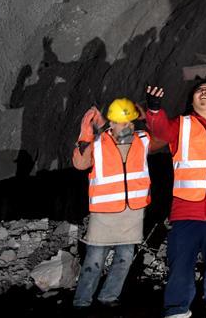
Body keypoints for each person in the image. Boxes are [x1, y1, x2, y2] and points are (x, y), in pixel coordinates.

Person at [145, 81, 206, 318]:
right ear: (192, 100)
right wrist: (154, 110)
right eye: (199, 90)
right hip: (186, 209)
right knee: (180, 265)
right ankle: (177, 310)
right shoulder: (181, 125)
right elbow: (160, 131)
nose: (204, 92)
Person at [71, 100, 157, 310]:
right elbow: (80, 164)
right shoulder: (98, 142)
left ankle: (109, 296)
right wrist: (85, 133)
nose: (126, 126)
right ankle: (82, 301)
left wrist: (148, 116)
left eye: (130, 122)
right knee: (94, 258)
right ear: (111, 122)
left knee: (125, 256)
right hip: (105, 212)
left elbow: (164, 137)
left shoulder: (143, 139)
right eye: (121, 122)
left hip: (132, 210)